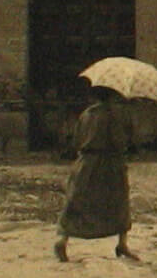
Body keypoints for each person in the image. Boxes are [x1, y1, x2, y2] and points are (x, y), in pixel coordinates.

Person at [55, 84, 137, 262]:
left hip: (85, 163)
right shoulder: (112, 115)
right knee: (118, 202)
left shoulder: (86, 114)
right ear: (112, 95)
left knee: (76, 201)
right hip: (109, 164)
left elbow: (77, 139)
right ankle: (122, 244)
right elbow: (118, 141)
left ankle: (62, 239)